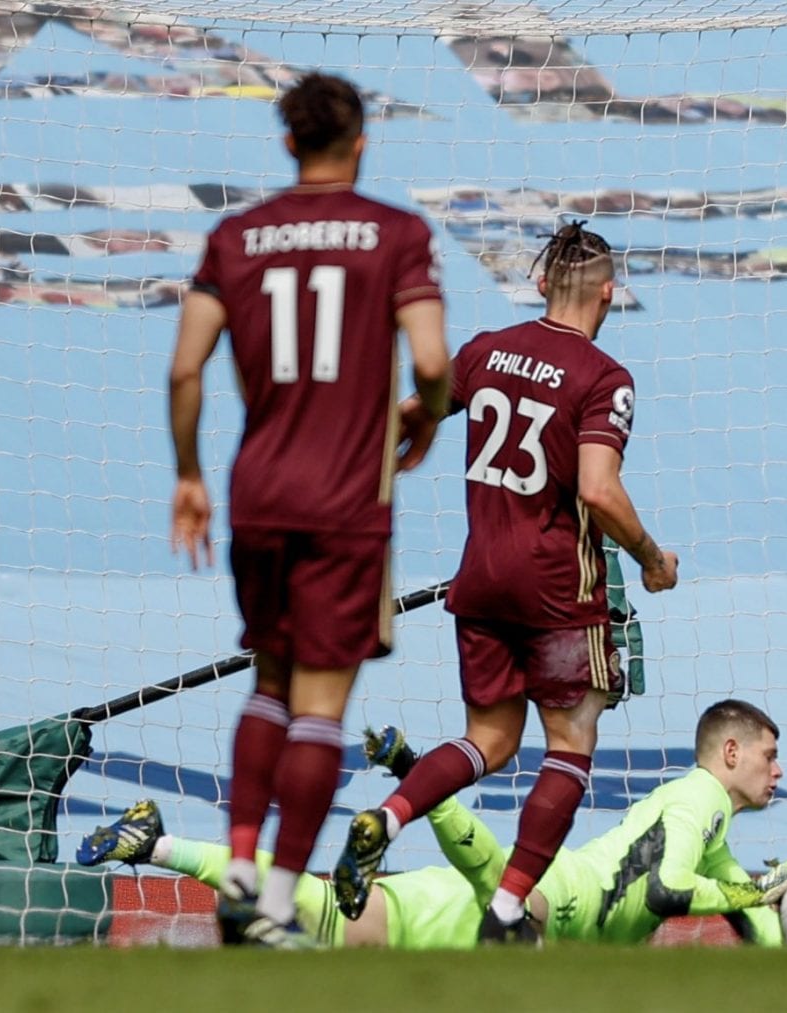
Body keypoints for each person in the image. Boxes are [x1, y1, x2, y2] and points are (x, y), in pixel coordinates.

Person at [331, 220, 678, 943]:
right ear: (610, 293)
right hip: (557, 592)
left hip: (480, 581)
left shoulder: (487, 352)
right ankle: (509, 909)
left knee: (487, 739)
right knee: (570, 746)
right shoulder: (605, 378)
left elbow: (409, 415)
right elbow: (598, 489)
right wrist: (649, 556)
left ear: (542, 283)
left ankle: (386, 816)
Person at [166, 72, 449, 948]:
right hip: (345, 502)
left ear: (286, 143)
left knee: (268, 682)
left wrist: (188, 474)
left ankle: (240, 867)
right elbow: (434, 362)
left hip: (259, 495)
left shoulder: (236, 237)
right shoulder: (396, 234)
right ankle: (279, 903)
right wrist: (425, 419)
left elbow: (185, 367)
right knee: (322, 704)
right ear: (362, 142)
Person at [81, 700, 787, 948]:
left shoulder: (707, 817)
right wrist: (756, 898)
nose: (778, 771)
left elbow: (745, 903)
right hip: (563, 897)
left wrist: (770, 905)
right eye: (770, 756)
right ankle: (415, 786)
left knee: (320, 916)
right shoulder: (701, 799)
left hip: (448, 910)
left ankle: (157, 839)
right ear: (732, 750)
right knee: (505, 893)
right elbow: (667, 892)